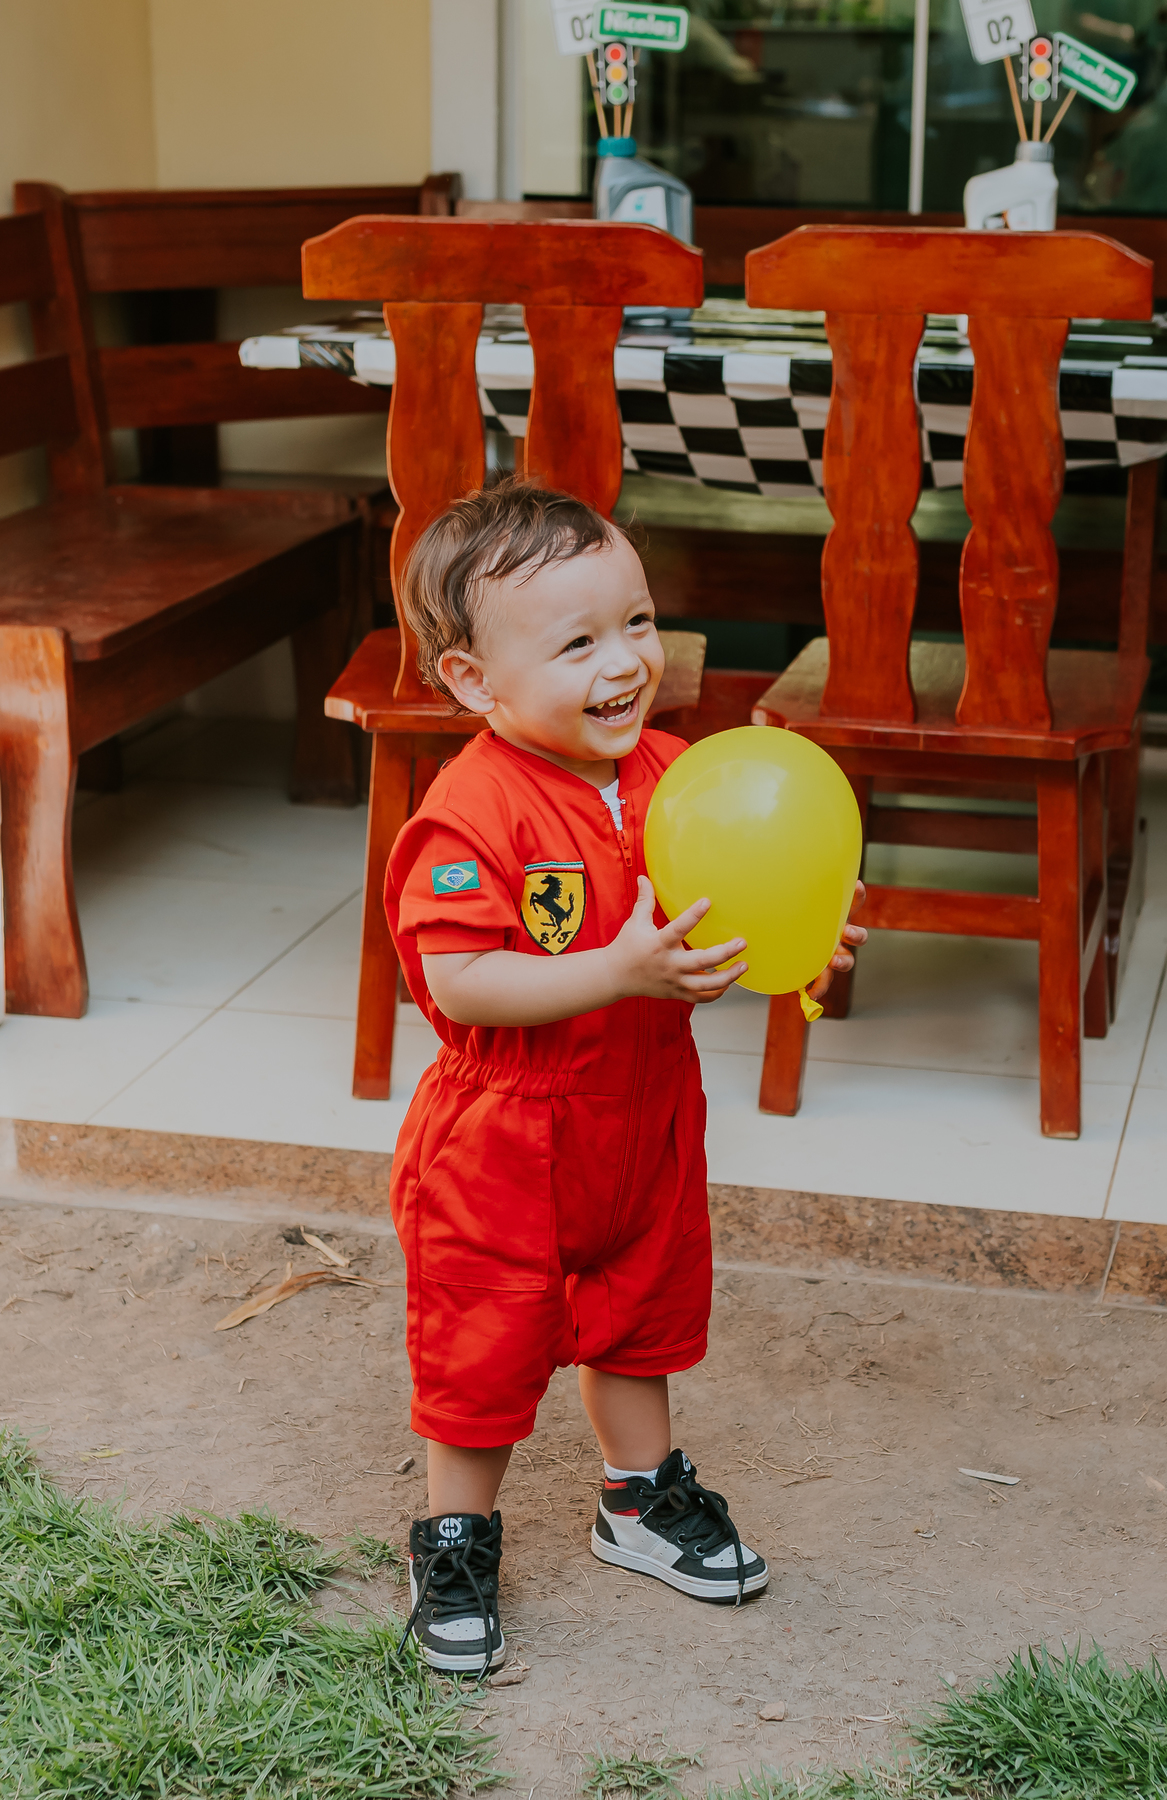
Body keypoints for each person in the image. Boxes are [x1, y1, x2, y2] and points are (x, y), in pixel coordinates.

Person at [384, 479, 866, 1675]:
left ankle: (639, 1499)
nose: (624, 663)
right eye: (578, 642)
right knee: (484, 1342)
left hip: (642, 1116)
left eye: (638, 623)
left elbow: (713, 912)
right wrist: (616, 970)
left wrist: (793, 931)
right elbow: (460, 986)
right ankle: (455, 1534)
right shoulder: (473, 811)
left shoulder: (673, 774)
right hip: (502, 1142)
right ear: (472, 682)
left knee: (640, 1312)